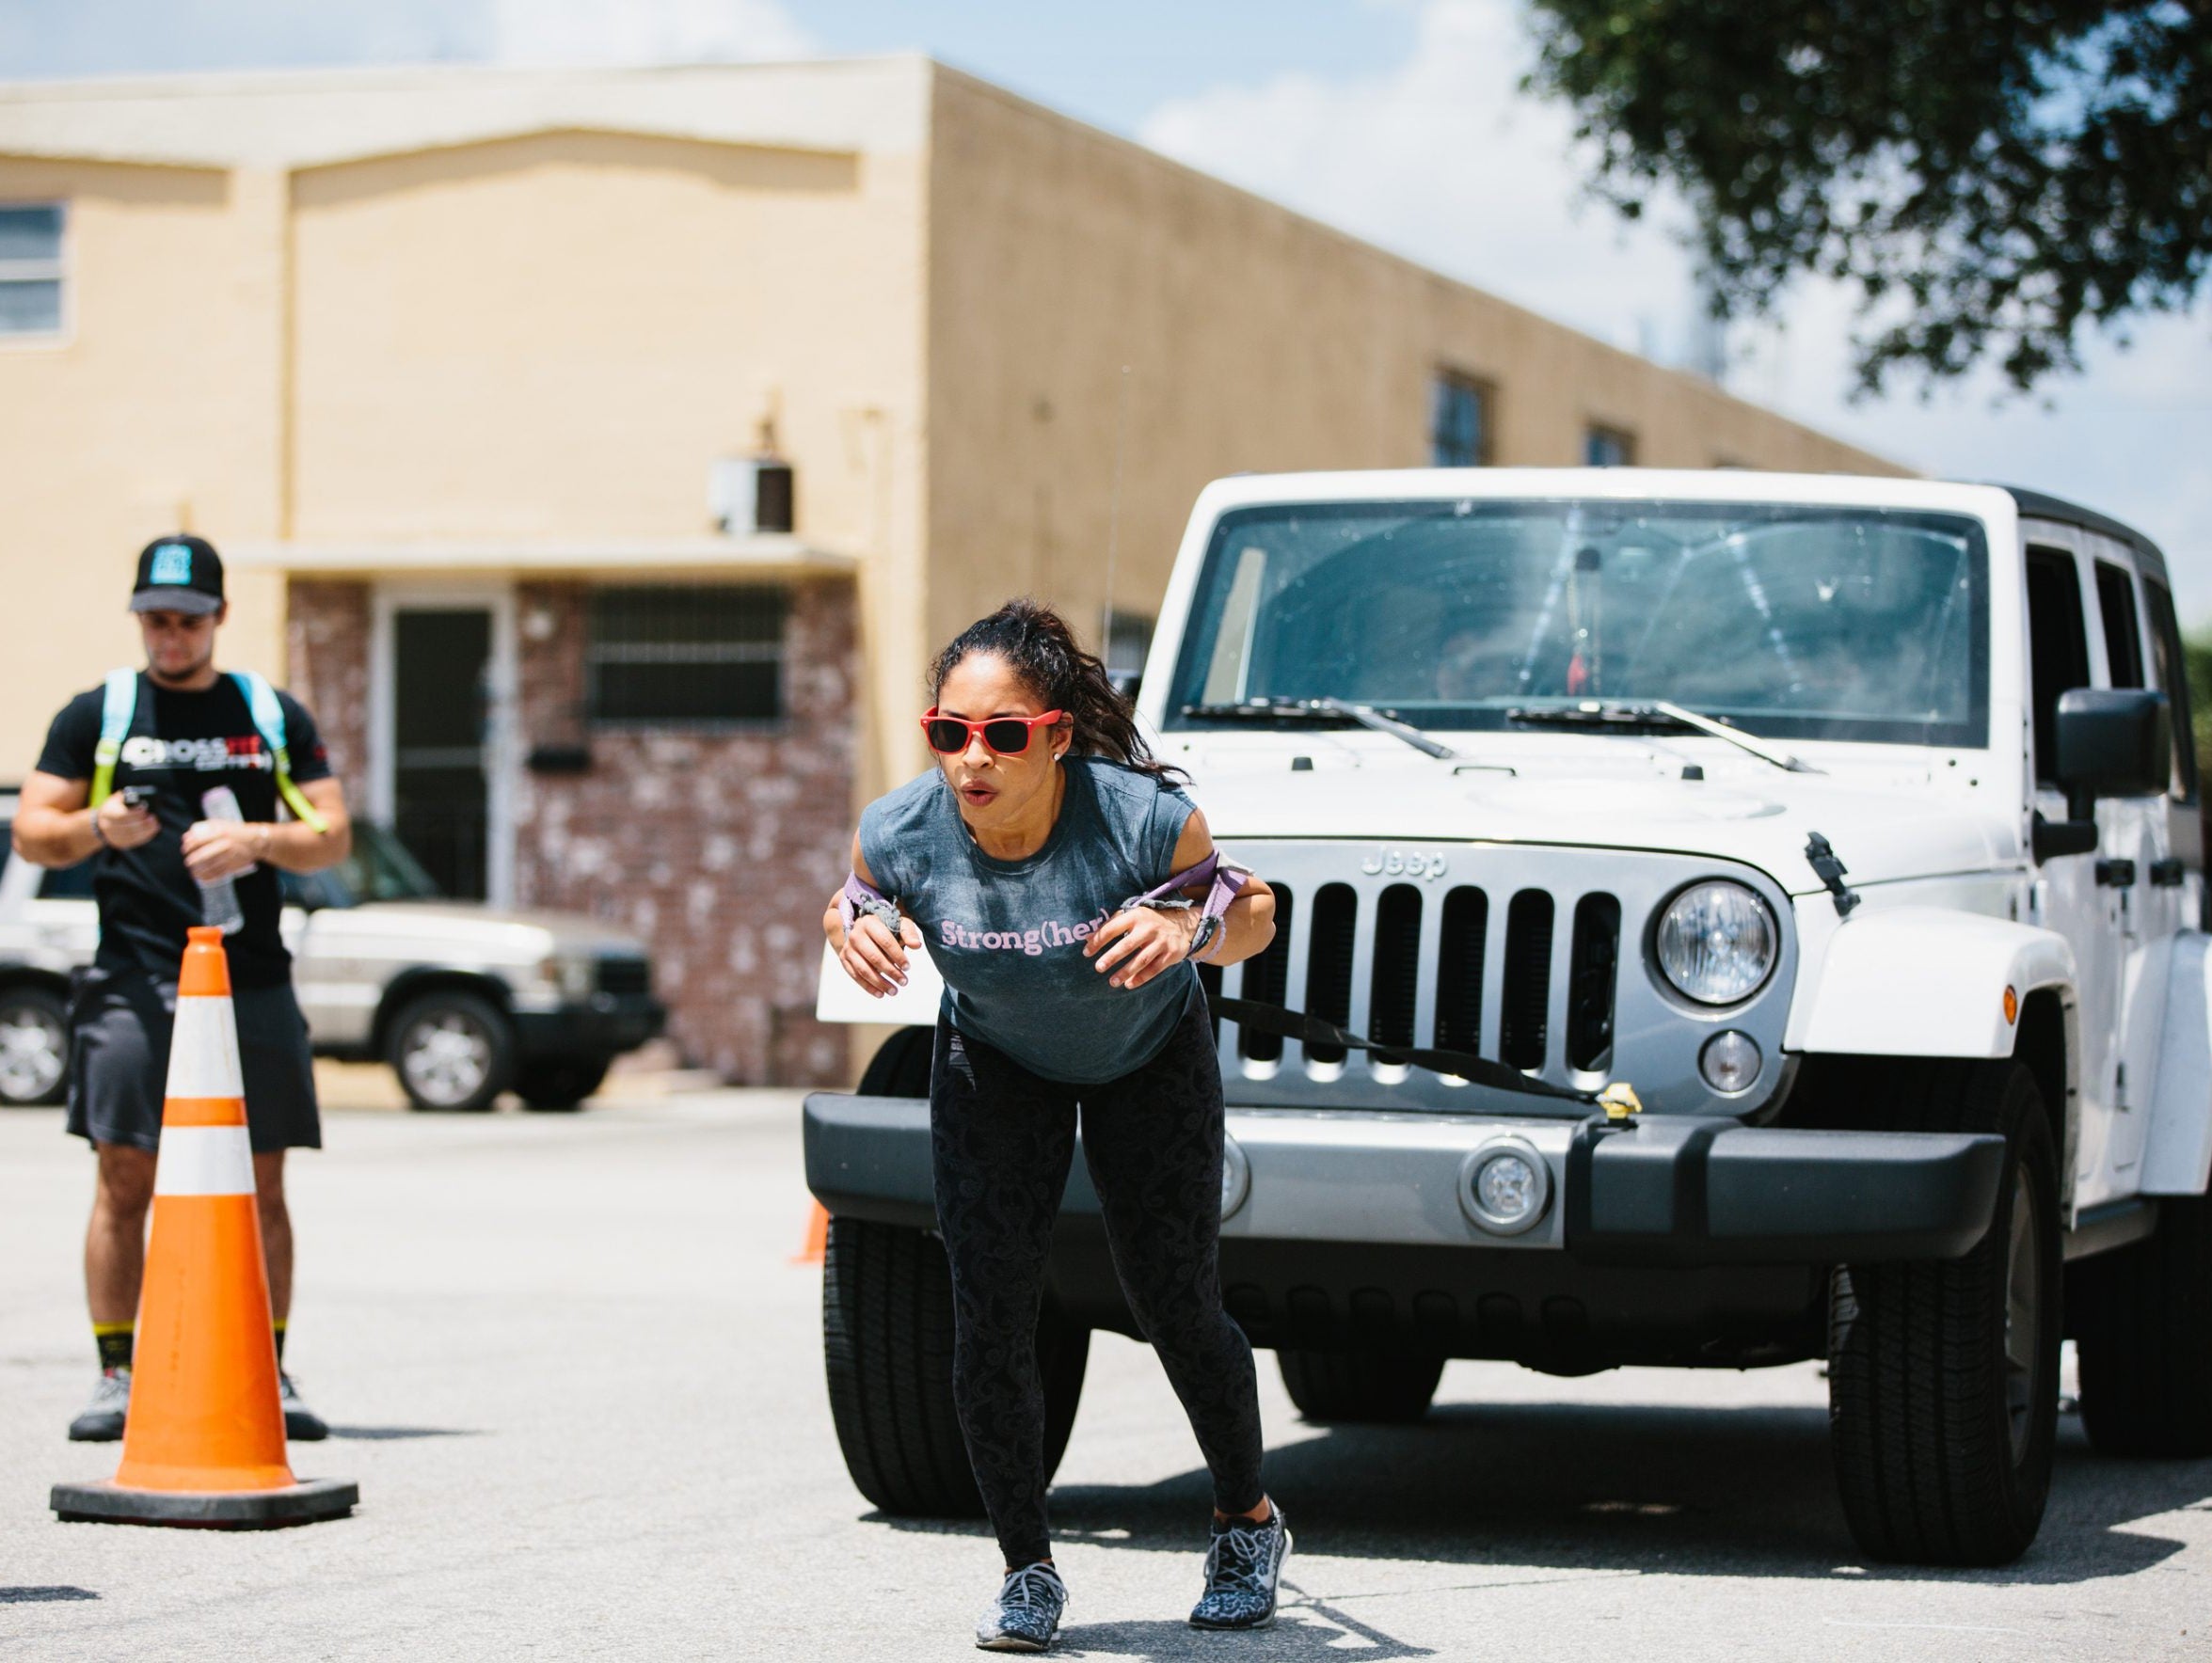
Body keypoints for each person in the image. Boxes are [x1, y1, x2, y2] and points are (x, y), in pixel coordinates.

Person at [824, 598, 1286, 1654]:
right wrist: (855, 922)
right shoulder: (901, 826)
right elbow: (853, 896)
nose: (971, 759)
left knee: (1174, 1302)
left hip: (1146, 1061)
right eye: (949, 732)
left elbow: (1255, 912)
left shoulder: (1141, 820)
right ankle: (1025, 1568)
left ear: (1058, 735)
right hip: (997, 1065)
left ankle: (1245, 1521)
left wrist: (1188, 921)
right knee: (988, 1316)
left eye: (1003, 734)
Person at [13, 534, 352, 1444]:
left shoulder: (267, 713)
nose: (170, 636)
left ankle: (267, 1371)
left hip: (252, 975)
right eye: (155, 619)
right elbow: (33, 833)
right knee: (125, 1175)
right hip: (135, 974)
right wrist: (96, 826)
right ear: (139, 619)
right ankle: (118, 1374)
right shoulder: (102, 713)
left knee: (264, 1180)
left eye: (188, 619)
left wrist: (259, 842)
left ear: (219, 619)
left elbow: (333, 834)